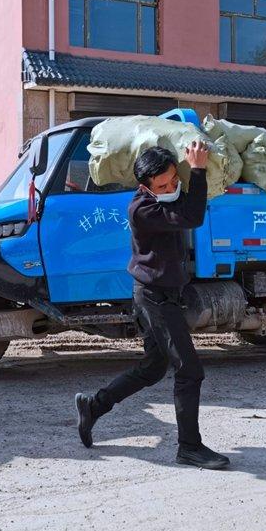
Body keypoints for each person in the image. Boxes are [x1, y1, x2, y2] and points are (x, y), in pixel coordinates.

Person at [75, 141, 230, 470]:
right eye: (163, 185)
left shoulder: (169, 196)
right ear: (146, 186)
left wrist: (189, 176)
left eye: (175, 179)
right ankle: (189, 447)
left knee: (153, 367)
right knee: (189, 370)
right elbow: (193, 216)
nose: (171, 187)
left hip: (163, 294)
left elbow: (188, 205)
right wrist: (198, 170)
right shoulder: (143, 209)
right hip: (154, 298)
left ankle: (94, 406)